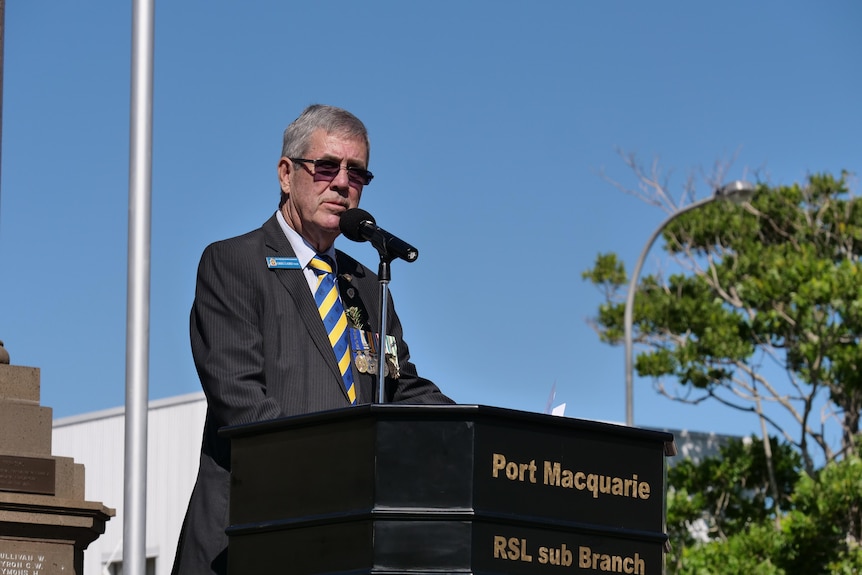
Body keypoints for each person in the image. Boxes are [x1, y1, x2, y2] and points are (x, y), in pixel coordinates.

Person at [171, 104, 453, 575]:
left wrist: (477, 434)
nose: (342, 183)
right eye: (326, 167)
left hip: (341, 543)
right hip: (251, 535)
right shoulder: (234, 263)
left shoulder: (366, 283)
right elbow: (242, 402)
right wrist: (344, 475)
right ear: (287, 174)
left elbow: (401, 387)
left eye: (357, 173)